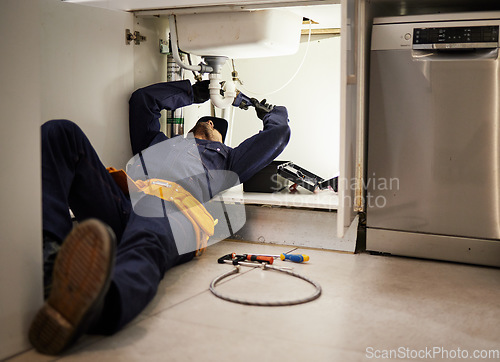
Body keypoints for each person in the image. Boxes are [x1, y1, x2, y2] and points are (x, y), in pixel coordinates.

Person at [29, 79, 291, 355]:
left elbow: (278, 134)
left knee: (146, 241)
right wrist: (199, 91)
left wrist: (268, 111)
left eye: (215, 127)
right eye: (207, 121)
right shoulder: (157, 142)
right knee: (61, 133)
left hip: (176, 210)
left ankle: (100, 305)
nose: (210, 124)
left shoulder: (228, 160)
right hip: (128, 203)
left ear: (220, 137)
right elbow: (143, 101)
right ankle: (51, 262)